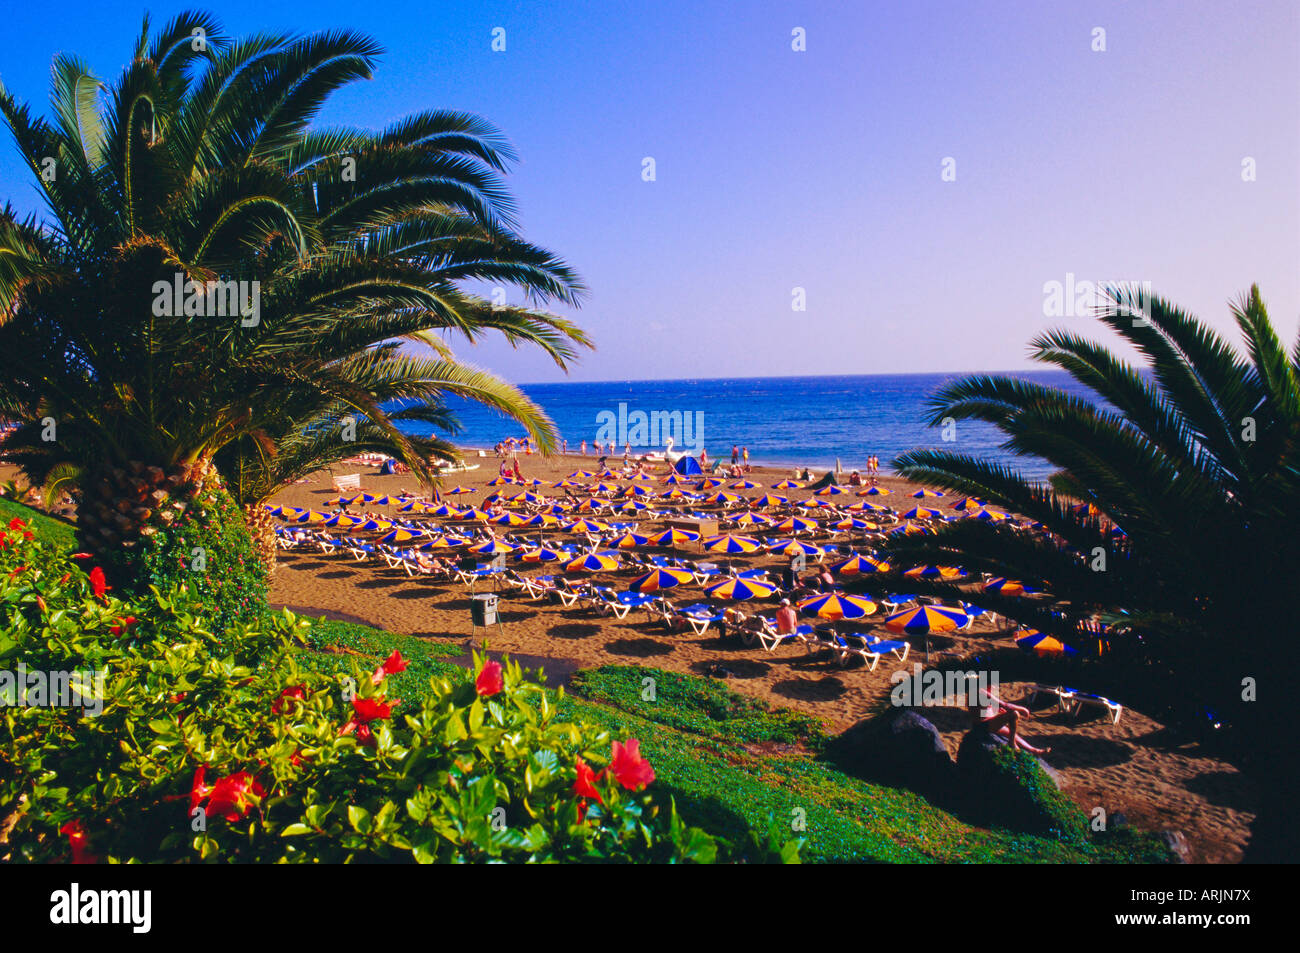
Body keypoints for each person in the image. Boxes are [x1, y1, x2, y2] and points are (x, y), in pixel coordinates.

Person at [969, 681, 1051, 756]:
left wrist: (998, 712)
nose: (994, 687)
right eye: (992, 685)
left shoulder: (982, 691)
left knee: (1010, 732)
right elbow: (1006, 705)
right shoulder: (981, 692)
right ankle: (1012, 743)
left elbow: (985, 709)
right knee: (1014, 714)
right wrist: (1022, 709)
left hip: (986, 722)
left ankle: (1034, 750)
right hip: (982, 726)